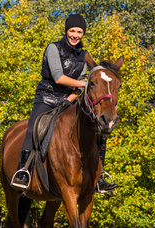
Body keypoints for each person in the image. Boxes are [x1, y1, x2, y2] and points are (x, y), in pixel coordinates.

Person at [11, 14, 118, 193]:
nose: (75, 35)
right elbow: (59, 78)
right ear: (66, 31)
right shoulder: (53, 48)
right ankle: (23, 171)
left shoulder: (84, 55)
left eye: (79, 32)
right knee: (33, 127)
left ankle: (99, 177)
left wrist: (70, 99)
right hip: (46, 98)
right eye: (72, 31)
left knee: (97, 129)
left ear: (83, 34)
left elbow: (83, 80)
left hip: (69, 101)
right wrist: (86, 84)